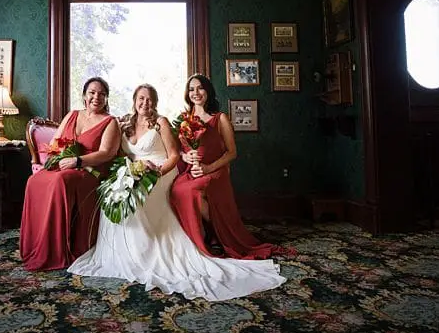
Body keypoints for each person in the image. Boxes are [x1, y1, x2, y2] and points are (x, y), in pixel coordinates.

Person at [68, 84, 286, 300]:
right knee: (113, 195)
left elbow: (174, 155)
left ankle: (151, 253)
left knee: (140, 196)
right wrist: (123, 173)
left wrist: (157, 172)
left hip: (162, 170)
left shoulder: (160, 122)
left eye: (150, 99)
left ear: (155, 102)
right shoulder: (124, 123)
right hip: (134, 170)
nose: (145, 103)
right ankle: (126, 255)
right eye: (141, 98)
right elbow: (115, 153)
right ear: (134, 101)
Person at [170, 74, 294, 260]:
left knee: (194, 190)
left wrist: (208, 168)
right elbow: (179, 150)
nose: (196, 92)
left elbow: (231, 153)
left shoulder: (220, 119)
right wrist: (185, 156)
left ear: (208, 91)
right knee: (178, 189)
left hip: (214, 170)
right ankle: (204, 233)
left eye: (200, 88)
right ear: (187, 94)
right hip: (192, 170)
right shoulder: (183, 119)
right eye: (191, 89)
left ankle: (216, 234)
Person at [20, 77, 121, 271]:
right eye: (92, 92)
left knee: (60, 180)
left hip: (90, 172)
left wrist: (78, 160)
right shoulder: (72, 115)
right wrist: (58, 157)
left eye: (101, 94)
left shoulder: (111, 122)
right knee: (34, 180)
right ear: (84, 95)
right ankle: (36, 244)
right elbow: (56, 141)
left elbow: (106, 153)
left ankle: (58, 249)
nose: (96, 97)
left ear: (106, 98)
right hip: (64, 165)